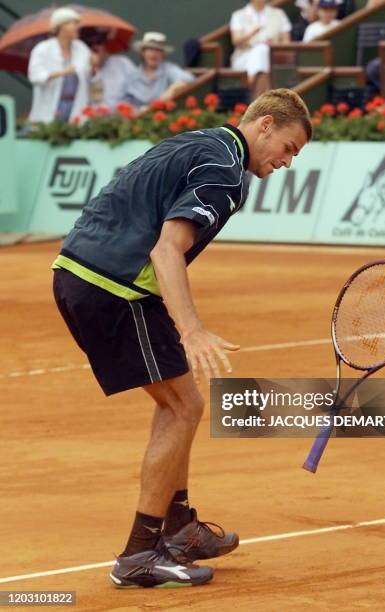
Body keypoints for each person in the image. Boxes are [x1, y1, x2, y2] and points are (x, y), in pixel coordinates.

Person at [52, 88, 312, 588]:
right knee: (184, 407)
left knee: (177, 400)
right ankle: (138, 555)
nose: (286, 161)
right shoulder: (224, 174)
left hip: (85, 271)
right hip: (115, 287)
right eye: (289, 147)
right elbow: (167, 250)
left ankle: (180, 528)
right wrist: (191, 329)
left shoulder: (200, 142)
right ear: (264, 126)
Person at [28, 7, 91, 123]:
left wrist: (94, 67)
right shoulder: (42, 49)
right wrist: (62, 72)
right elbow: (35, 76)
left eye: (77, 24)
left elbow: (89, 76)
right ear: (61, 26)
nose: (77, 27)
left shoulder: (82, 48)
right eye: (73, 23)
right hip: (51, 106)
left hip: (76, 104)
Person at [230, 0, 292, 98]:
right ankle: (264, 100)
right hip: (244, 56)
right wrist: (253, 32)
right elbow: (236, 40)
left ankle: (252, 91)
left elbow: (286, 42)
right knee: (261, 50)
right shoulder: (238, 15)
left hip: (272, 56)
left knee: (262, 50)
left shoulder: (278, 14)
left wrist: (274, 45)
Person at [120, 32, 194, 109]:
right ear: (142, 53)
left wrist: (169, 91)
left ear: (163, 55)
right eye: (150, 49)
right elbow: (125, 102)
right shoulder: (133, 75)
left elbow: (188, 79)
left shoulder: (168, 69)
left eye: (158, 50)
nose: (154, 54)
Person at [86, 30, 136, 110]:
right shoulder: (81, 67)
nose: (94, 46)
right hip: (90, 119)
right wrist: (93, 70)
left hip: (121, 118)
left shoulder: (123, 63)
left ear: (105, 46)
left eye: (99, 42)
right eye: (89, 44)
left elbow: (137, 91)